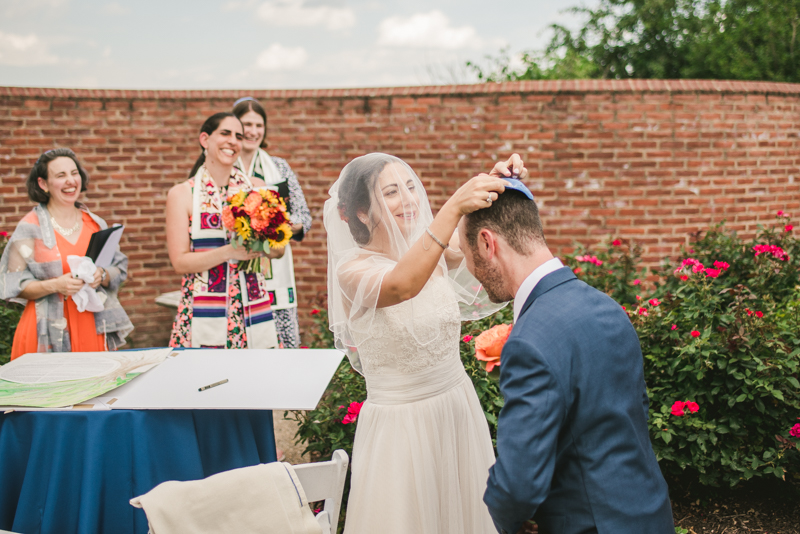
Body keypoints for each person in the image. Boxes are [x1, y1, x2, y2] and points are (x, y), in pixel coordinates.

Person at [457, 165, 675, 534]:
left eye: (467, 256)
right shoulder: (607, 306)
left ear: (487, 243)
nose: (471, 272)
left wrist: (507, 521)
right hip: (650, 515)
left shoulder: (528, 341)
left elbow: (517, 485)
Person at [324, 153, 521, 534]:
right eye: (392, 192)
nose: (410, 199)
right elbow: (402, 284)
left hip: (456, 406)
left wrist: (495, 186)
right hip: (402, 425)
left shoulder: (434, 254)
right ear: (362, 213)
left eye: (411, 187)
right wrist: (454, 204)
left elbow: (470, 248)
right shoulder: (352, 271)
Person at [167, 112, 285, 350]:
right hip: (202, 309)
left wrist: (261, 242)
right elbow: (180, 262)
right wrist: (230, 251)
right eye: (225, 133)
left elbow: (279, 250)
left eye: (238, 136)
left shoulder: (257, 188)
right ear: (205, 140)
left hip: (252, 305)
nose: (233, 141)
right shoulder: (182, 194)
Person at [0, 148, 133, 359]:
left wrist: (102, 274)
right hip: (44, 331)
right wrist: (55, 285)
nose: (71, 181)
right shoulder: (29, 228)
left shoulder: (95, 223)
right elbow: (13, 284)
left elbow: (119, 269)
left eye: (74, 173)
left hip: (93, 327)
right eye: (61, 176)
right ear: (43, 184)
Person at [232, 97, 312, 348]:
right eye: (247, 124)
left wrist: (275, 223)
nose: (253, 131)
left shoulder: (278, 167)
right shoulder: (223, 167)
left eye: (259, 125)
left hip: (274, 265)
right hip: (235, 266)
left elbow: (303, 217)